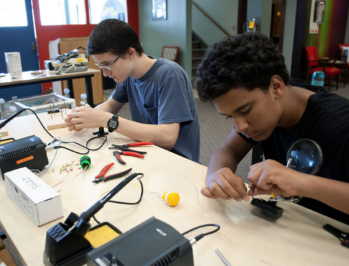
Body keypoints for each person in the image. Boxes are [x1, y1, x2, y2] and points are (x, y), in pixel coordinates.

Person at [195, 32, 349, 224]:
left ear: (276, 87)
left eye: (245, 110)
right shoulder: (266, 112)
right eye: (229, 117)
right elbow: (228, 150)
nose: (240, 126)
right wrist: (215, 175)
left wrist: (300, 182)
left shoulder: (341, 125)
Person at [65, 19, 200, 162]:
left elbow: (167, 138)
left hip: (176, 164)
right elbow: (110, 106)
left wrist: (106, 120)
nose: (105, 73)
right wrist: (84, 116)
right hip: (147, 154)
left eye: (107, 64)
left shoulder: (169, 75)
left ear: (130, 53)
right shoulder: (128, 76)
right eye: (100, 66)